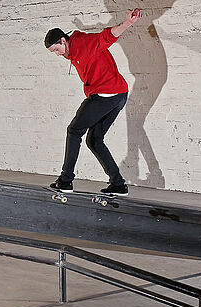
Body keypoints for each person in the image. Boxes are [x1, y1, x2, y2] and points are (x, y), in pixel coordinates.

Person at [44, 8, 143, 196]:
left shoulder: (84, 43)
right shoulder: (72, 51)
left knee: (74, 131)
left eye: (57, 49)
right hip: (119, 94)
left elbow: (106, 37)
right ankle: (118, 184)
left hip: (106, 94)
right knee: (95, 139)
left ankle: (65, 181)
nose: (57, 54)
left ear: (63, 41)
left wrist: (128, 23)